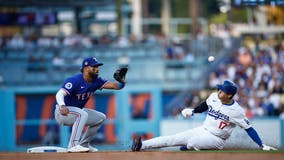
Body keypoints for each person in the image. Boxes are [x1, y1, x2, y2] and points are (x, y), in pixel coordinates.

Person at [131, 80, 277, 151]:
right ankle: (142, 145)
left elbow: (249, 128)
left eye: (222, 91)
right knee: (173, 138)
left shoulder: (237, 111)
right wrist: (193, 111)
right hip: (203, 129)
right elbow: (205, 105)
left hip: (217, 139)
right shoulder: (214, 96)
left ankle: (187, 148)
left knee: (192, 142)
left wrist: (261, 144)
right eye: (219, 89)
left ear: (230, 95)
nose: (219, 92)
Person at [54, 57, 127, 153]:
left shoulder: (96, 80)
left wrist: (122, 82)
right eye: (94, 67)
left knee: (100, 117)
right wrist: (62, 106)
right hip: (62, 112)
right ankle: (73, 145)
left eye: (98, 67)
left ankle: (83, 144)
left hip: (76, 112)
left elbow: (114, 86)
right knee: (82, 114)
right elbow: (60, 93)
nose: (97, 69)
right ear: (86, 68)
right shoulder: (74, 80)